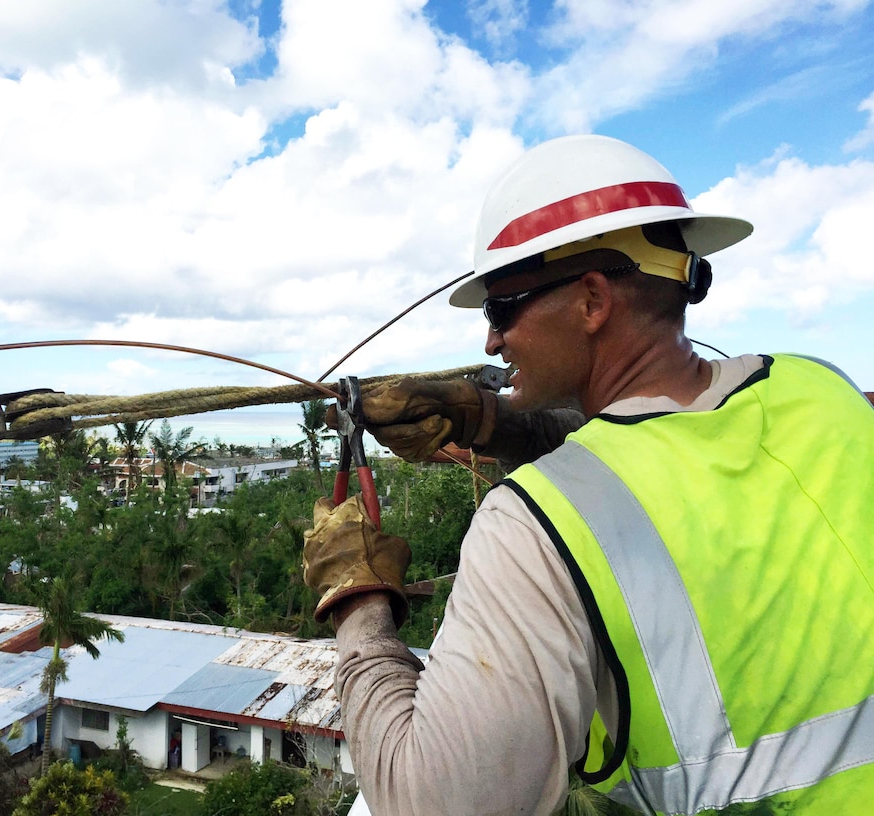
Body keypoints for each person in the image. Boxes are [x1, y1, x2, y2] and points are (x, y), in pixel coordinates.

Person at [302, 134, 874, 815]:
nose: (491, 340)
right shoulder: (825, 393)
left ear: (592, 301)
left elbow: (439, 803)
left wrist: (358, 601)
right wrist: (495, 421)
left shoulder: (534, 525)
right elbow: (670, 445)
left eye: (502, 306)